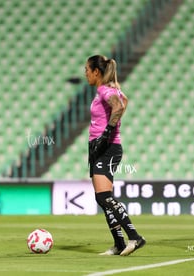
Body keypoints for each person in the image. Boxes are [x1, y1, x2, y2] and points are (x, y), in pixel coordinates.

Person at [85, 55, 145, 256]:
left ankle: (135, 237)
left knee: (104, 197)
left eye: (87, 69)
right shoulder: (108, 90)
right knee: (102, 198)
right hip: (99, 146)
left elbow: (119, 106)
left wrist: (108, 132)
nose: (85, 73)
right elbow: (124, 101)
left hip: (108, 148)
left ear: (96, 72)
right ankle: (119, 244)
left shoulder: (104, 90)